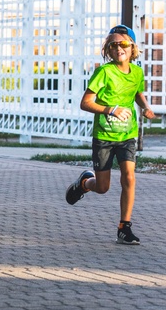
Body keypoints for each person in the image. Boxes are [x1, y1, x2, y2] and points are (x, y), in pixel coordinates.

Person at [64, 25, 156, 246]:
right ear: (108, 49)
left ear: (132, 47)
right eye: (113, 45)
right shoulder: (103, 72)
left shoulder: (136, 72)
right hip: (104, 136)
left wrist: (145, 107)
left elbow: (136, 92)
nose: (119, 48)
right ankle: (85, 183)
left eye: (123, 44)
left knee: (129, 178)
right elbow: (85, 103)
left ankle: (124, 227)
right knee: (103, 187)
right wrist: (110, 110)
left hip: (127, 134)